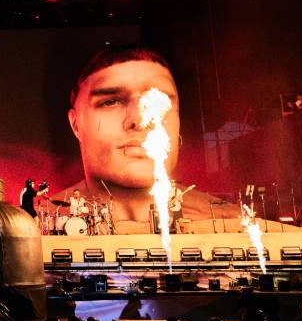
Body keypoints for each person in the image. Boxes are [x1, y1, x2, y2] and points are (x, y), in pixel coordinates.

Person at [54, 44, 239, 232]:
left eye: (158, 101)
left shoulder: (238, 225)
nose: (140, 120)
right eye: (111, 102)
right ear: (76, 124)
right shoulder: (41, 227)